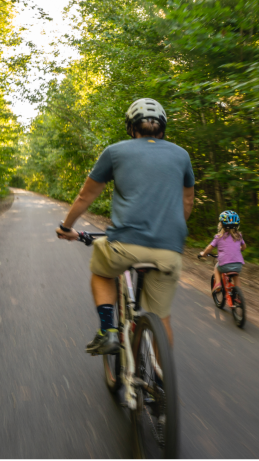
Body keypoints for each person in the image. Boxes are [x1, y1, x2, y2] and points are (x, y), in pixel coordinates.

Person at [55, 98, 195, 354]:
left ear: (132, 127)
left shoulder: (115, 151)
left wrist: (66, 227)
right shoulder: (181, 155)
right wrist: (169, 231)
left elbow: (86, 196)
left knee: (102, 271)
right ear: (162, 128)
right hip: (170, 249)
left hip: (125, 245)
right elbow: (188, 201)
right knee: (161, 318)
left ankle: (108, 331)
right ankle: (160, 380)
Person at [199, 211, 246, 293]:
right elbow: (244, 247)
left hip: (225, 265)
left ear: (221, 224)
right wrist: (239, 249)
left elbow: (210, 248)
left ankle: (218, 284)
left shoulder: (218, 237)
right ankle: (238, 295)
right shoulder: (239, 236)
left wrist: (204, 253)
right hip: (238, 265)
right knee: (236, 276)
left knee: (217, 267)